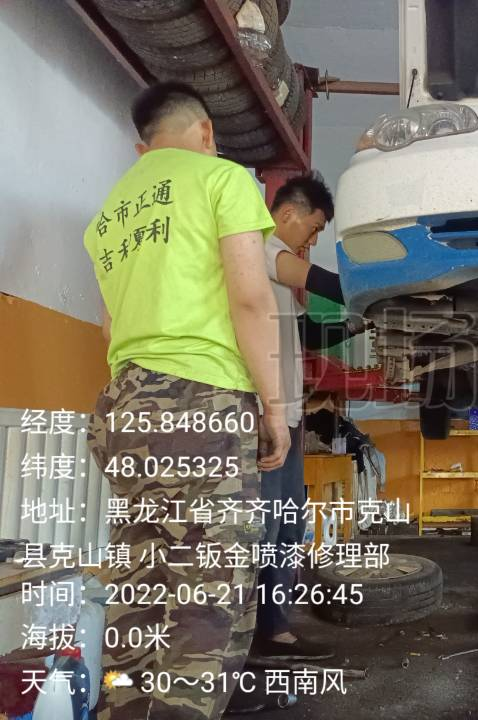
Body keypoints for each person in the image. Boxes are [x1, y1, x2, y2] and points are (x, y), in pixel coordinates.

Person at [84, 81, 290, 720]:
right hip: (199, 405)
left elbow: (111, 330)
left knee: (140, 594)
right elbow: (250, 298)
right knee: (209, 600)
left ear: (143, 148)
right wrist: (275, 407)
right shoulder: (221, 178)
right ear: (206, 133)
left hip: (123, 408)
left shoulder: (109, 216)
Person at [253, 172, 346, 658]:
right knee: (266, 528)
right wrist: (371, 289)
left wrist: (360, 321)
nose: (312, 242)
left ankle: (275, 628)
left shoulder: (279, 277)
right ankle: (251, 635)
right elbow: (318, 279)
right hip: (263, 417)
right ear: (287, 213)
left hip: (287, 418)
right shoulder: (259, 249)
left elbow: (310, 336)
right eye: (313, 229)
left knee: (288, 526)